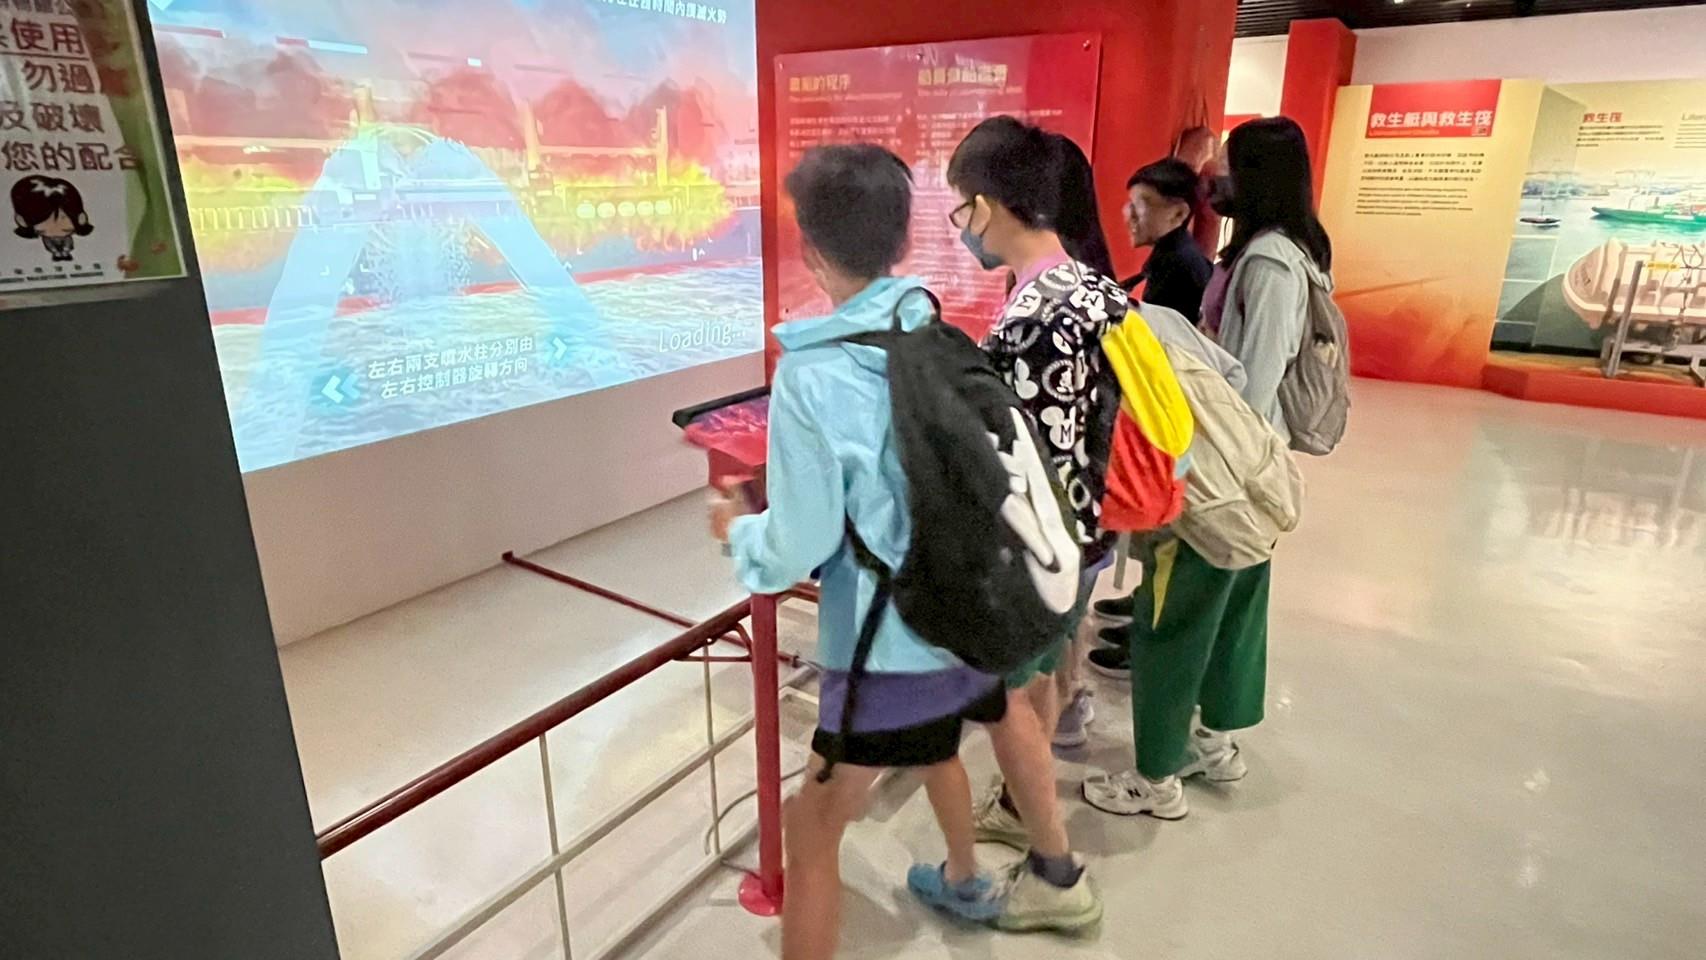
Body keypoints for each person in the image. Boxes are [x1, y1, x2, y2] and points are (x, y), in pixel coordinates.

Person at [711, 144, 1007, 959]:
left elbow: (799, 542)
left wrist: (737, 532)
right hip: (965, 620)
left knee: (809, 830)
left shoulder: (811, 375)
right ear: (903, 241)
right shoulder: (935, 333)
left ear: (809, 247)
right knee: (937, 745)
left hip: (884, 649)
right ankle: (966, 878)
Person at [907, 115, 1122, 934]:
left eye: (961, 208)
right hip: (1089, 531)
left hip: (1041, 547)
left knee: (1007, 707)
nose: (961, 227)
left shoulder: (1033, 317)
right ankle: (1021, 818)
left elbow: (1017, 461)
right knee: (1040, 682)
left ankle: (1057, 875)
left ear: (988, 205)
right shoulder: (1093, 288)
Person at [1082, 115, 1331, 819]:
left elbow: (1253, 375)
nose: (1213, 177)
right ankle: (1211, 743)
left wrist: (1200, 457)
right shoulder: (1275, 253)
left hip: (1224, 470)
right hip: (1247, 468)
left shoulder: (1270, 262)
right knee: (1228, 615)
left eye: (1226, 166)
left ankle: (1156, 775)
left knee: (1174, 624)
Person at [1119, 158, 1214, 319]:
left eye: (1141, 205)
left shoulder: (1175, 266)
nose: (1129, 214)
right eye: (1130, 203)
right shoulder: (1177, 254)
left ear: (1179, 213)